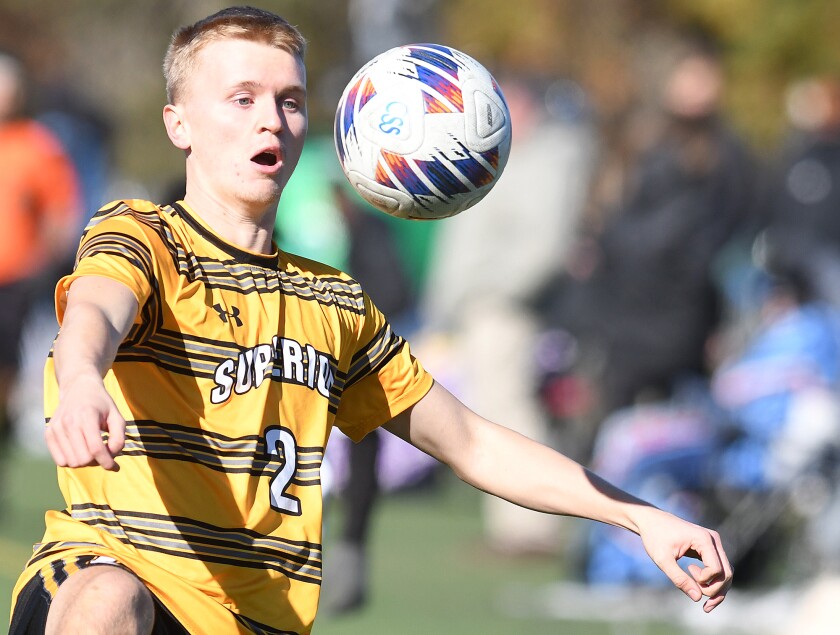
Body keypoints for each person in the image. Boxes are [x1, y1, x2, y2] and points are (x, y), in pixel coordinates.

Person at [8, 7, 731, 635]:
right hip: (120, 571)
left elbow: (473, 441)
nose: (271, 118)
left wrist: (642, 516)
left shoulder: (335, 305)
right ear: (179, 123)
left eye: (290, 101)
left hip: (256, 614)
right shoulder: (143, 235)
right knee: (104, 598)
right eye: (241, 97)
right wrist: (79, 379)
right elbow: (98, 308)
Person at [0, 50, 80, 469]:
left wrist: (40, 263)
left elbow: (60, 213)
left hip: (13, 281)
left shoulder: (38, 146)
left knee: (6, 369)